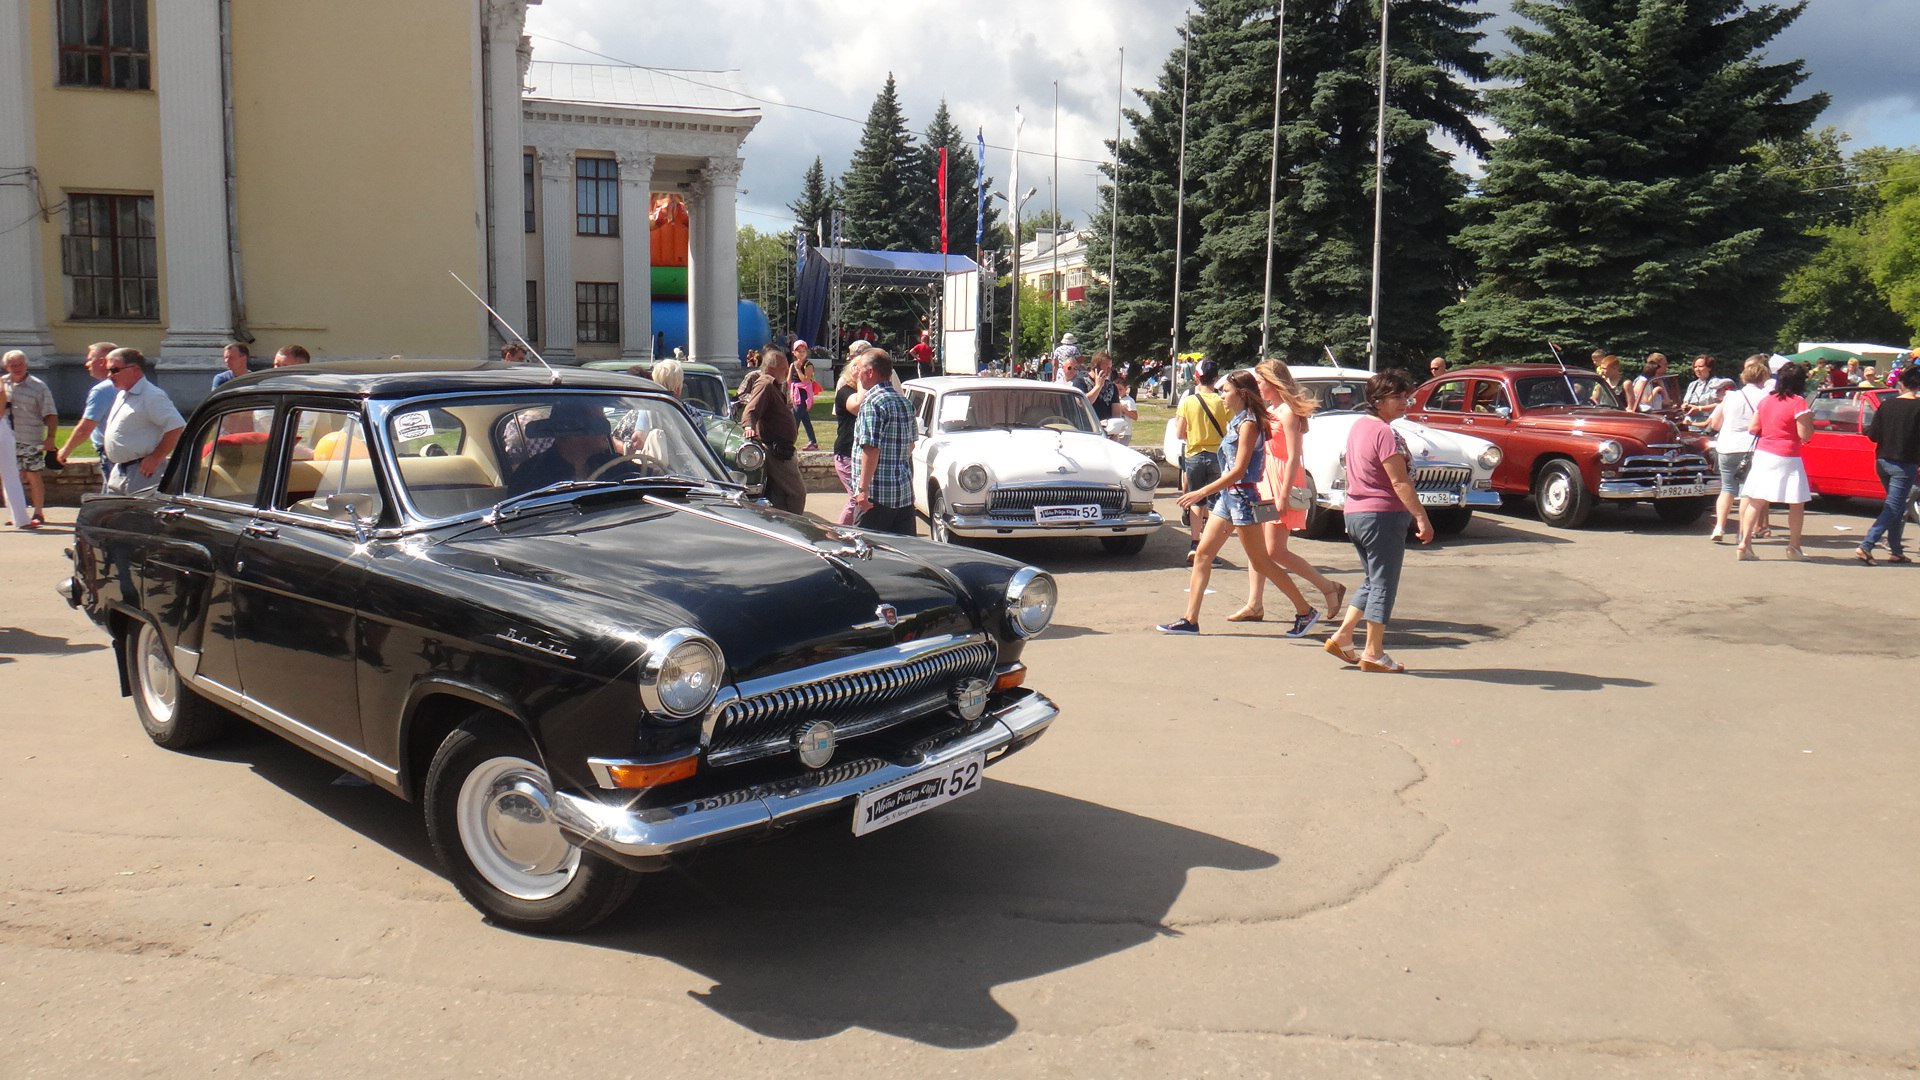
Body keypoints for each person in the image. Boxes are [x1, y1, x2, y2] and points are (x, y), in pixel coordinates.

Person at [1157, 370, 1318, 636]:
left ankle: (1305, 610)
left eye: (1226, 391)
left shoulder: (1249, 424)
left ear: (1241, 394)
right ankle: (1190, 620)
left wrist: (1201, 492)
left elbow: (1239, 470)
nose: (1221, 396)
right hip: (1228, 499)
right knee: (1203, 555)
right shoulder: (1237, 421)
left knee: (1262, 562)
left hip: (1242, 498)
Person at [1322, 369, 1435, 673]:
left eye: (1405, 396)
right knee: (1384, 584)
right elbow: (1399, 482)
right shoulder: (1384, 433)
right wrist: (1421, 517)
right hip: (1382, 514)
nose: (1405, 402)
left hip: (1357, 512)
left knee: (1372, 580)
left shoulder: (1359, 426)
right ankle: (1373, 651)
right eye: (1397, 397)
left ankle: (1344, 636)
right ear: (1377, 400)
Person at [1233, 359, 1347, 621]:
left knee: (1274, 550)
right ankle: (1254, 604)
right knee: (1257, 546)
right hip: (1264, 479)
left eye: (1261, 383)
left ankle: (1329, 587)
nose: (1258, 387)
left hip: (1281, 480)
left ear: (1274, 383)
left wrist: (1284, 492)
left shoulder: (1287, 412)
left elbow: (1295, 455)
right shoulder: (1270, 409)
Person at [1736, 362, 1813, 561]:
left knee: (1756, 499)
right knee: (1796, 502)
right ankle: (1794, 547)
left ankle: (1744, 544)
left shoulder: (1766, 400)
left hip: (1763, 453)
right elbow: (1804, 434)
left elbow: (1753, 428)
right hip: (1787, 455)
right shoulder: (1798, 402)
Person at [1856, 365, 1920, 565]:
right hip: (1904, 464)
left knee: (1896, 505)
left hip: (1882, 461)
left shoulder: (1886, 405)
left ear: (1901, 384)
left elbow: (1873, 435)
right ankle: (1867, 545)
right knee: (1894, 506)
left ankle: (1896, 550)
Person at [100, 348, 186, 496]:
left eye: (114, 370)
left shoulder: (151, 396)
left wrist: (155, 457)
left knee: (137, 518)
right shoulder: (122, 394)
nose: (110, 376)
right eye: (108, 371)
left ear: (135, 370)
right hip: (118, 470)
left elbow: (177, 427)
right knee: (112, 516)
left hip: (142, 473)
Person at [1705, 356, 1769, 543]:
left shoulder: (1730, 396)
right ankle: (1743, 532)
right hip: (1752, 447)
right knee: (1748, 491)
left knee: (1727, 488)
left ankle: (1719, 527)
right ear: (1762, 378)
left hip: (1726, 446)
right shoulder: (1765, 397)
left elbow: (1715, 424)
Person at [851, 350, 916, 535]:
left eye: (860, 368)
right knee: (902, 556)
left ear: (870, 372)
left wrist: (862, 490)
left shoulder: (873, 403)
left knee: (866, 553)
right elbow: (911, 445)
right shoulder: (904, 402)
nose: (857, 373)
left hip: (876, 498)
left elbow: (871, 448)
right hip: (903, 497)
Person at [1172, 358, 1228, 564]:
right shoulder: (1222, 400)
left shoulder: (1188, 401)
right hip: (1217, 456)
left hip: (1194, 455)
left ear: (1196, 376)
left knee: (1196, 500)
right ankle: (1209, 548)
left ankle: (1194, 544)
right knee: (1215, 505)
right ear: (1216, 378)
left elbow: (1179, 433)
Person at [503, 401, 622, 495]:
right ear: (573, 430)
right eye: (599, 424)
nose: (606, 431)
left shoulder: (614, 464)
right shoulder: (530, 475)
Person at [742, 346, 806, 514]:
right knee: (797, 493)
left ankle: (781, 526)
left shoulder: (773, 384)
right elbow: (751, 409)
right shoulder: (766, 383)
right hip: (776, 450)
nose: (787, 372)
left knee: (780, 495)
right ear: (772, 369)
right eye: (784, 369)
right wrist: (748, 426)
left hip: (781, 449)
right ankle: (795, 527)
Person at [4, 351, 58, 526]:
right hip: (7, 438)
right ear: (6, 367)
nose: (17, 368)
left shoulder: (38, 386)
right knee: (8, 477)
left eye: (19, 364)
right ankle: (17, 513)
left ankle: (38, 512)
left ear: (26, 364)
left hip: (31, 438)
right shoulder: (2, 383)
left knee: (33, 475)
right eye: (12, 365)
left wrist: (50, 437)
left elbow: (51, 414)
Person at [57, 342, 118, 471]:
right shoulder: (130, 385)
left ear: (102, 362)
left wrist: (65, 451)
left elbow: (85, 428)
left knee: (114, 490)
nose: (87, 364)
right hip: (129, 451)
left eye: (90, 360)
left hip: (111, 453)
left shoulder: (102, 390)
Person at [831, 353, 871, 525]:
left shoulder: (868, 393)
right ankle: (839, 534)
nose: (858, 369)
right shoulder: (845, 391)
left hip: (861, 453)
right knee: (856, 498)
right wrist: (862, 382)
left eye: (862, 366)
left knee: (861, 498)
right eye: (855, 365)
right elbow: (857, 407)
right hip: (846, 454)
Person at [1680, 354, 1731, 432]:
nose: (1697, 369)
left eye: (1700, 366)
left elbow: (1722, 404)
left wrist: (1699, 409)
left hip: (1709, 426)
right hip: (1690, 425)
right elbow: (1686, 402)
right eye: (1695, 367)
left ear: (1709, 368)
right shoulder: (1692, 385)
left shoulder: (1717, 383)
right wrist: (1685, 406)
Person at [791, 356, 821, 451]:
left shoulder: (808, 365)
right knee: (805, 419)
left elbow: (805, 380)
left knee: (795, 418)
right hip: (796, 393)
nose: (801, 354)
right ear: (794, 353)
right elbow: (789, 379)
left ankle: (789, 440)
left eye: (803, 351)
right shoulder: (793, 364)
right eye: (798, 351)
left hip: (804, 394)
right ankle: (813, 442)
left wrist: (798, 369)